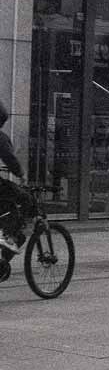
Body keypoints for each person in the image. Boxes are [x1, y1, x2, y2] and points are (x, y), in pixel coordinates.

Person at [0, 100, 34, 254]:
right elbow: (10, 159)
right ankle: (10, 237)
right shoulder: (1, 138)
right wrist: (21, 174)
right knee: (24, 198)